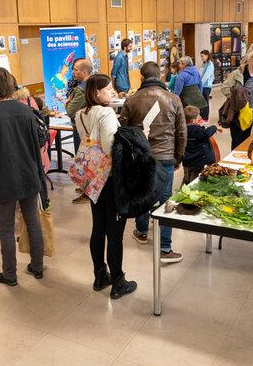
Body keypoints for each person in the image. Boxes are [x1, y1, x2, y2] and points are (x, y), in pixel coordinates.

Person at [0, 67, 44, 286]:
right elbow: (36, 145)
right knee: (32, 222)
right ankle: (37, 266)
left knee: (6, 228)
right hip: (28, 175)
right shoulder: (26, 110)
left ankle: (10, 274)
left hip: (2, 179)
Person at [75, 74, 137, 300]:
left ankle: (100, 274)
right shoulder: (107, 113)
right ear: (96, 92)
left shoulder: (80, 113)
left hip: (92, 177)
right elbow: (112, 148)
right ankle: (119, 281)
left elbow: (90, 143)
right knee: (115, 231)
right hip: (110, 178)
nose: (111, 92)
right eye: (108, 88)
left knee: (98, 227)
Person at [119, 61, 187, 263]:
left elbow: (123, 130)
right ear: (161, 75)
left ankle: (141, 231)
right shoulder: (173, 99)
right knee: (166, 201)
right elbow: (182, 132)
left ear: (141, 77)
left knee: (142, 194)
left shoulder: (131, 100)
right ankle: (165, 248)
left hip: (141, 156)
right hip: (166, 157)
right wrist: (178, 157)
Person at [66, 59, 93, 204]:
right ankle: (85, 188)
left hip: (82, 130)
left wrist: (67, 103)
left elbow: (70, 111)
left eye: (75, 69)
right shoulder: (93, 84)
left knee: (84, 161)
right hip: (88, 128)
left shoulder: (81, 89)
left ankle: (87, 192)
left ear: (84, 72)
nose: (73, 72)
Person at [222, 50, 253, 149]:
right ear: (252, 61)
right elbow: (224, 89)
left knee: (247, 141)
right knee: (237, 142)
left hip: (252, 114)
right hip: (237, 114)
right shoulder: (238, 74)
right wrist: (237, 97)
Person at [182, 106, 220, 184]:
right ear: (193, 121)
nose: (199, 119)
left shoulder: (182, 129)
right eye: (198, 118)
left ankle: (183, 187)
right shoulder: (196, 130)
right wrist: (214, 127)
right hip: (198, 160)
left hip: (187, 159)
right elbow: (206, 133)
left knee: (186, 176)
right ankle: (191, 190)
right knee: (194, 179)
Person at [199, 50, 215, 122]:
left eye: (202, 56)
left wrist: (200, 85)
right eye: (201, 56)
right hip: (203, 86)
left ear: (207, 55)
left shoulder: (210, 64)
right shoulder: (204, 64)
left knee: (205, 102)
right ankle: (202, 117)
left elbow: (205, 76)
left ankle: (205, 118)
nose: (201, 58)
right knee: (202, 102)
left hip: (206, 86)